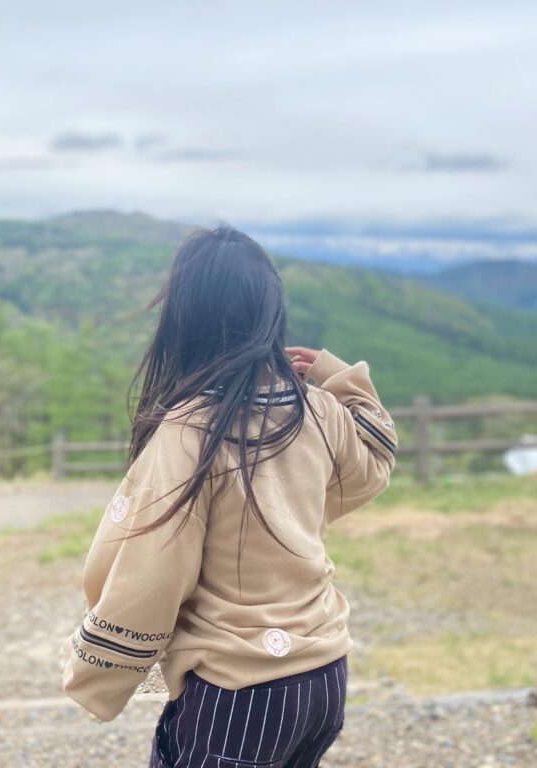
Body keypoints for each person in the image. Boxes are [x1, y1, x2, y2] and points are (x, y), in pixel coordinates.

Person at [59, 225, 397, 767]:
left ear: (184, 318)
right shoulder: (317, 410)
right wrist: (337, 377)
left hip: (240, 693)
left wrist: (95, 674)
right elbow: (373, 463)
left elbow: (150, 571)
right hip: (325, 674)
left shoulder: (190, 429)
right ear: (270, 311)